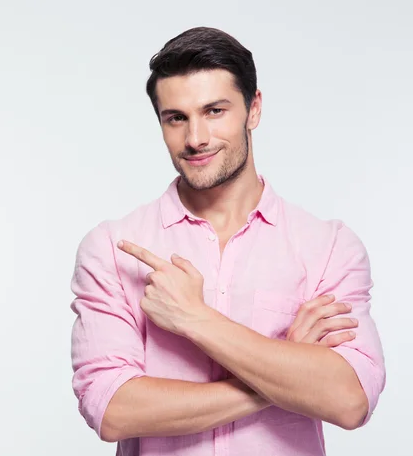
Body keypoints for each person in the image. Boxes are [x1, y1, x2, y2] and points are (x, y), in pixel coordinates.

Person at [69, 26, 385, 456]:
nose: (195, 138)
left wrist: (195, 318)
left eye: (214, 111)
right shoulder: (112, 247)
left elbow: (350, 400)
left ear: (253, 109)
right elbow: (112, 410)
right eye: (175, 117)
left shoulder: (328, 247)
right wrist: (283, 372)